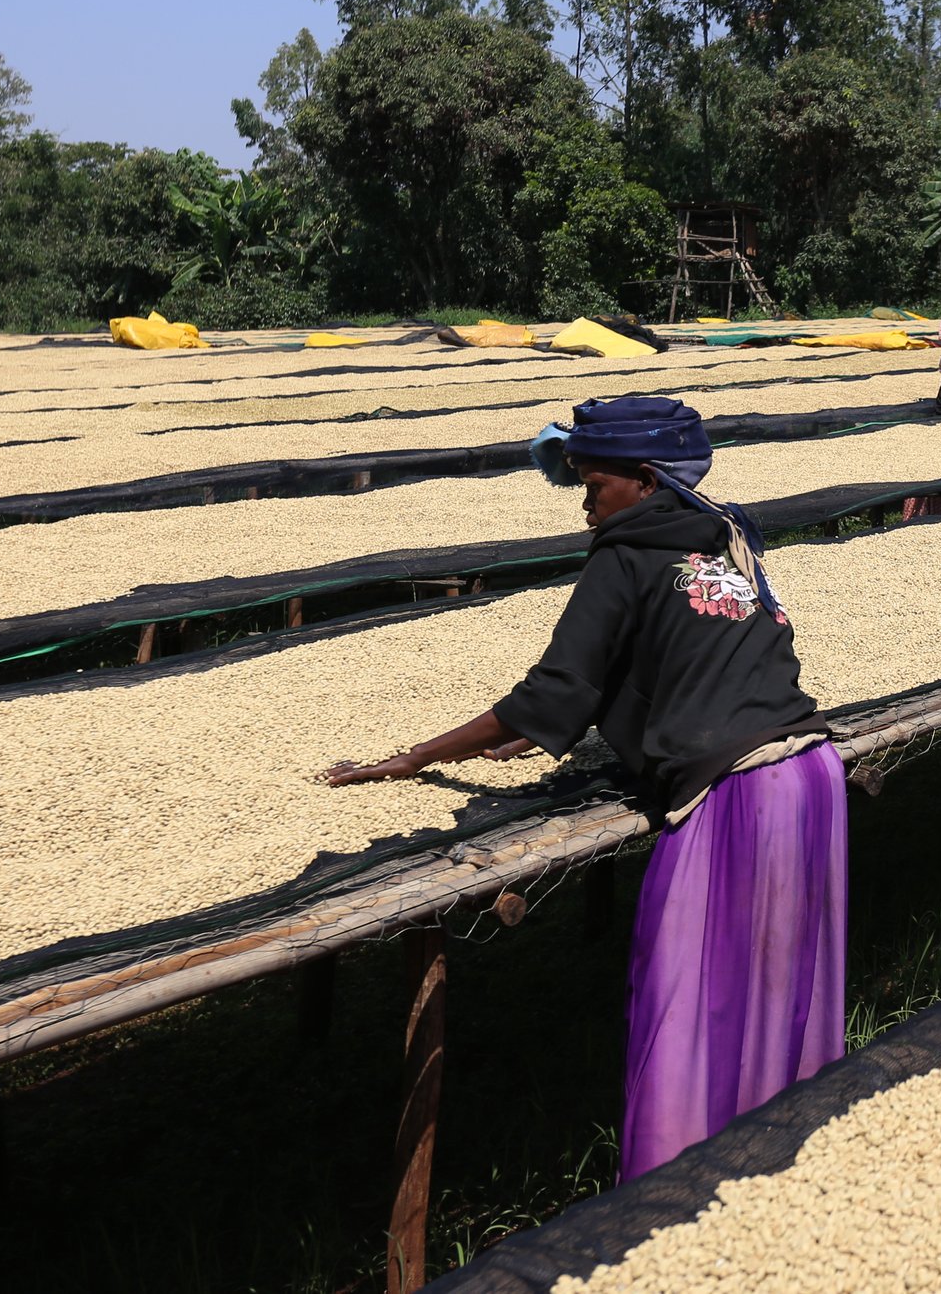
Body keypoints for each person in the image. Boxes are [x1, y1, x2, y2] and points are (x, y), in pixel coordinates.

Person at [319, 395, 844, 1182]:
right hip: (811, 773)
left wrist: (417, 757)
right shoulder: (724, 531)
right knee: (780, 987)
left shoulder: (622, 554)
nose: (585, 505)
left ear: (643, 481)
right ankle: (790, 1162)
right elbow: (687, 649)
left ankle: (680, 1193)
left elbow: (557, 686)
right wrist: (558, 725)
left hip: (736, 792)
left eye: (593, 486)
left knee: (690, 1001)